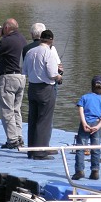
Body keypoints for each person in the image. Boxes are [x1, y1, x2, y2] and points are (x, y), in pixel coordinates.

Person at [21, 29, 63, 159]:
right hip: (45, 89)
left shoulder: (30, 52)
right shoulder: (49, 53)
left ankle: (31, 150)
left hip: (32, 88)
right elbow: (52, 74)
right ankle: (40, 152)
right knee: (44, 120)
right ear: (51, 40)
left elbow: (25, 71)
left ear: (40, 39)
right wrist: (59, 77)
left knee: (32, 119)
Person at [0, 18, 27, 149]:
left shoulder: (7, 40)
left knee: (7, 110)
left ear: (7, 28)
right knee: (16, 109)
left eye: (3, 28)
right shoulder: (22, 39)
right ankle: (19, 136)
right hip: (21, 77)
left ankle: (12, 139)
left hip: (9, 78)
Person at [72, 76, 101, 180]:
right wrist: (97, 127)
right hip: (96, 124)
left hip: (86, 124)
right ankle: (95, 171)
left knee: (80, 148)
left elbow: (81, 110)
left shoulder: (84, 97)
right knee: (95, 148)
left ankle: (79, 171)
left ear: (92, 86)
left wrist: (84, 123)